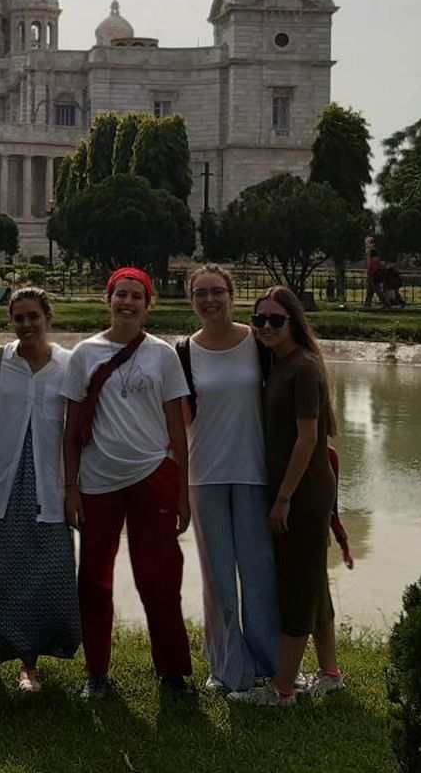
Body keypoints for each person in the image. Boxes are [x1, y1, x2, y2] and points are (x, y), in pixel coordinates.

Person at [63, 266, 193, 700]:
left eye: (137, 296)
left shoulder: (163, 355)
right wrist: (70, 487)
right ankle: (97, 673)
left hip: (152, 476)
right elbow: (70, 431)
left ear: (147, 304)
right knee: (94, 581)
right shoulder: (84, 353)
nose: (128, 303)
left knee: (159, 579)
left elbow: (178, 428)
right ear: (109, 299)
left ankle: (172, 672)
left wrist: (182, 491)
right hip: (98, 481)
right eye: (121, 295)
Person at [231, 285, 344, 706]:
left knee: (297, 587)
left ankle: (282, 688)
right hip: (298, 491)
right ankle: (330, 672)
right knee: (315, 581)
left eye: (276, 320)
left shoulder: (304, 369)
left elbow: (307, 438)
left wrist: (283, 498)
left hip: (301, 494)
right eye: (259, 320)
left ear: (294, 321)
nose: (265, 327)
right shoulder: (278, 364)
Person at [0, 287, 81, 694]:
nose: (27, 324)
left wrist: (74, 488)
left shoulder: (69, 364)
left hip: (49, 485)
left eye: (34, 316)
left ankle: (29, 665)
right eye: (19, 318)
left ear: (48, 317)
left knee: (41, 576)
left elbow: (76, 429)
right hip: (3, 481)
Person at [181, 264, 279, 693]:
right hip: (205, 474)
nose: (209, 300)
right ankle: (226, 668)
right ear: (191, 300)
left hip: (255, 471)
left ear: (232, 294)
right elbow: (178, 421)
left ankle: (266, 664)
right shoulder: (182, 351)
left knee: (259, 574)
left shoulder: (258, 342)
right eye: (200, 293)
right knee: (218, 579)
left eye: (217, 291)